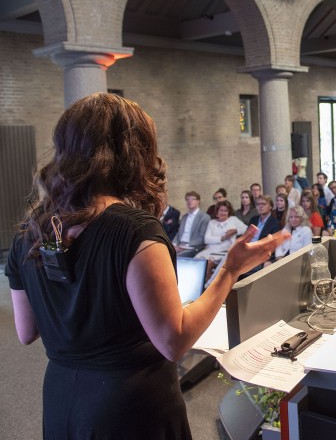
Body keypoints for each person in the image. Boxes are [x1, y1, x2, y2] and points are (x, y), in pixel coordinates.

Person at [4, 93, 288, 438]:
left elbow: (26, 331)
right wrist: (229, 270)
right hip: (129, 407)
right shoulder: (134, 230)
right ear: (134, 152)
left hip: (62, 397)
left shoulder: (29, 233)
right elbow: (174, 340)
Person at [195, 200, 248, 272]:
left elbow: (246, 228)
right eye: (221, 210)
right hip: (211, 250)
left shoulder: (233, 220)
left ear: (229, 212)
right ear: (217, 212)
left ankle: (209, 282)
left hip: (225, 252)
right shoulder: (212, 222)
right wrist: (222, 238)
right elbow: (206, 239)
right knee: (196, 261)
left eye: (225, 211)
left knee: (207, 264)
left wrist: (235, 230)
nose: (223, 213)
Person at [173, 191, 211, 257]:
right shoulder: (184, 217)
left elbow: (202, 238)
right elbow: (178, 234)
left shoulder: (204, 217)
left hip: (193, 247)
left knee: (175, 257)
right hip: (180, 245)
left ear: (198, 201)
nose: (190, 201)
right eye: (187, 199)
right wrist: (174, 244)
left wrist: (185, 246)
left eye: (193, 199)